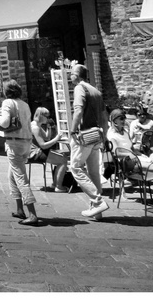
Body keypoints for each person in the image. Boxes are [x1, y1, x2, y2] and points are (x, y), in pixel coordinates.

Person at [69, 63, 110, 219]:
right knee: (94, 172)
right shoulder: (96, 91)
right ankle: (97, 212)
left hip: (84, 135)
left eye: (72, 73)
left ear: (78, 75)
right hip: (96, 135)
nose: (70, 75)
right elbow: (105, 117)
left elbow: (78, 110)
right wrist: (104, 136)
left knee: (75, 168)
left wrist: (72, 130)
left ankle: (98, 201)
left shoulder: (80, 88)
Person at [0, 79, 39, 225]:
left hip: (14, 143)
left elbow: (4, 123)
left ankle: (32, 214)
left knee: (21, 178)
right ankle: (20, 209)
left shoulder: (7, 103)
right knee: (12, 175)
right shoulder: (25, 104)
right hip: (26, 142)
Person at [107, 109, 153, 177]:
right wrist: (131, 155)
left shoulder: (125, 132)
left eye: (124, 118)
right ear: (114, 120)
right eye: (121, 118)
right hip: (125, 162)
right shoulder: (112, 135)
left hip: (133, 159)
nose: (124, 121)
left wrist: (141, 154)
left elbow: (132, 149)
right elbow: (116, 153)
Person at [30, 107, 70, 191]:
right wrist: (56, 139)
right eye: (47, 116)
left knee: (62, 157)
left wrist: (49, 127)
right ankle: (58, 186)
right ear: (41, 116)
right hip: (35, 154)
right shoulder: (35, 128)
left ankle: (55, 184)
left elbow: (47, 138)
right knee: (63, 160)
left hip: (38, 152)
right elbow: (43, 145)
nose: (48, 118)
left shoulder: (37, 125)